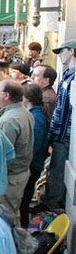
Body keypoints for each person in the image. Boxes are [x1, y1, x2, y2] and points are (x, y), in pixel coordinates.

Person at [0, 79, 34, 224]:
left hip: (10, 178)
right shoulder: (23, 112)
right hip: (19, 174)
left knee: (6, 218)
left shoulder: (8, 121)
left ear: (7, 96)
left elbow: (2, 155)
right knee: (12, 213)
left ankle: (14, 245)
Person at [43, 40, 76, 210]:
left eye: (62, 51)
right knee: (56, 170)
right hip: (61, 134)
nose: (59, 55)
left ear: (72, 51)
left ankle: (52, 206)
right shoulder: (68, 74)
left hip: (66, 136)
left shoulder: (73, 77)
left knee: (58, 172)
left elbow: (65, 111)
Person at [19, 84, 49, 228]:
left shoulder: (36, 118)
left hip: (32, 166)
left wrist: (27, 165)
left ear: (26, 98)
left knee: (24, 203)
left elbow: (34, 145)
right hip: (32, 165)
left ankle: (24, 231)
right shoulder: (35, 114)